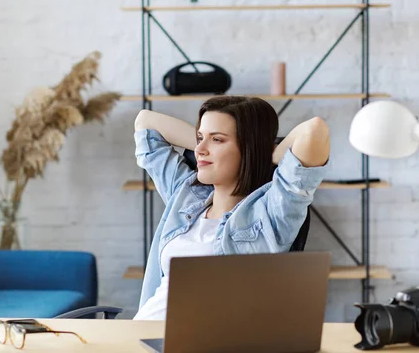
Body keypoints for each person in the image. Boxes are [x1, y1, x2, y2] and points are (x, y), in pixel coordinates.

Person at [132, 96, 330, 320]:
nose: (199, 150)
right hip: (140, 335)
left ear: (248, 148)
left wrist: (269, 153)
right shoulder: (185, 193)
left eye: (217, 140)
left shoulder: (272, 214)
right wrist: (207, 142)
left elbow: (315, 130)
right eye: (199, 138)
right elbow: (145, 122)